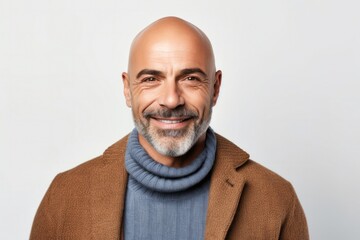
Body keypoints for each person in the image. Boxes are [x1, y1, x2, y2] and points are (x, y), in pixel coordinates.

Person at [30, 17, 309, 239]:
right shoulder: (65, 194)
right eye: (151, 78)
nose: (171, 99)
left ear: (215, 88)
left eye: (190, 78)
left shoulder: (275, 197)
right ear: (128, 90)